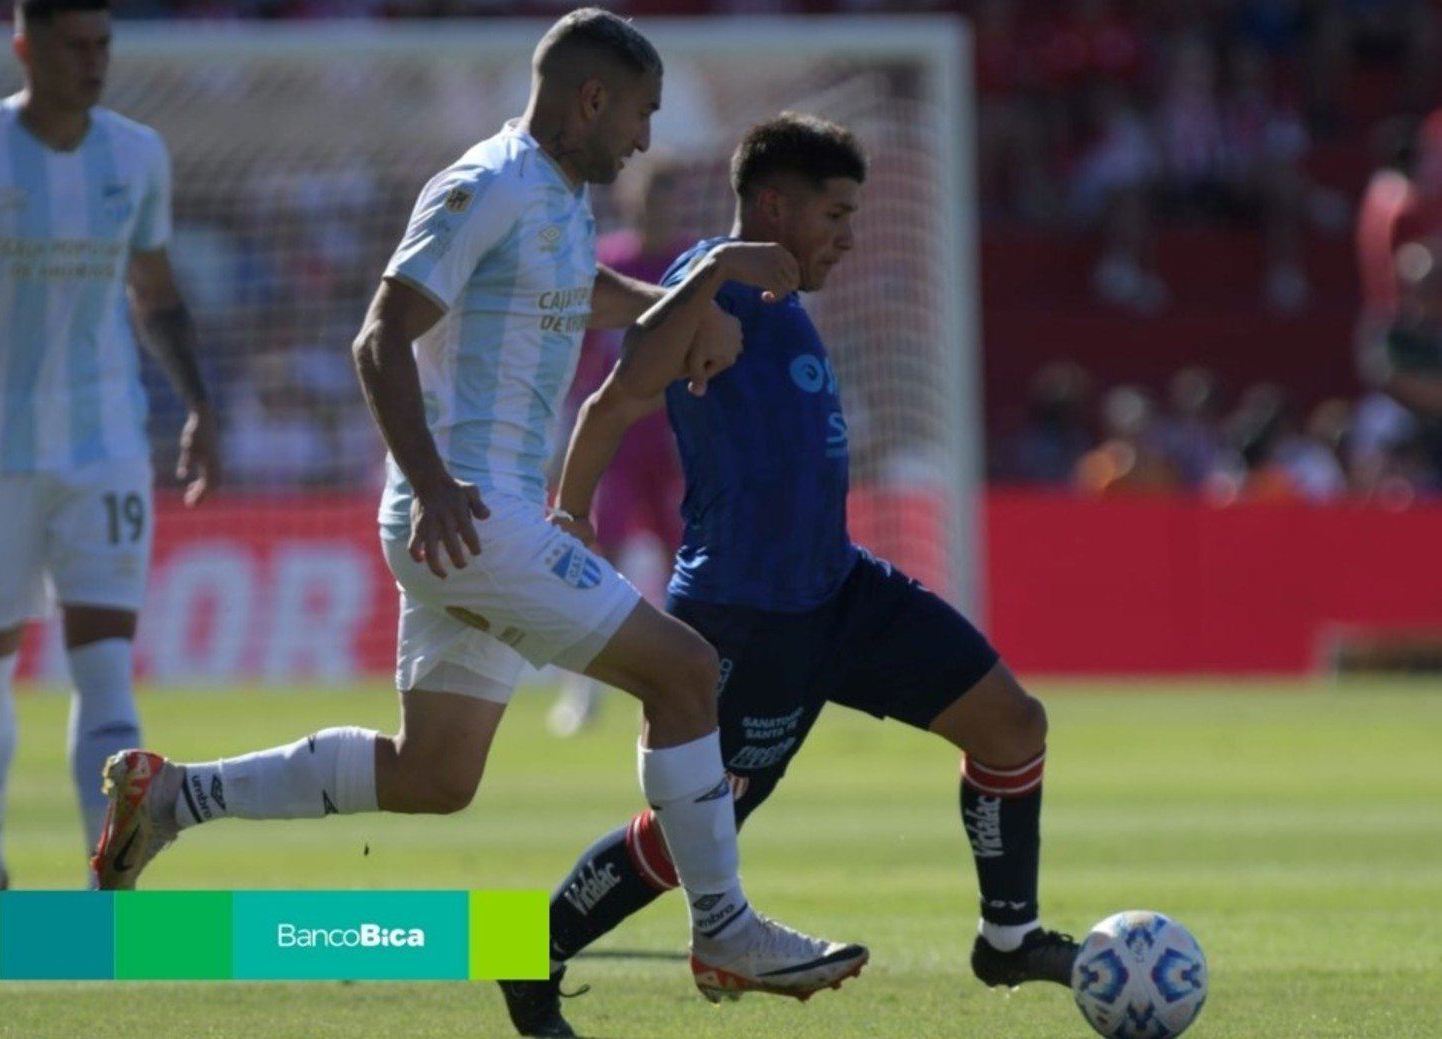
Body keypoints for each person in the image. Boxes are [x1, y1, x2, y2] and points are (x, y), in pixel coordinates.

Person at [90, 6, 867, 1014]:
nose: (642, 139)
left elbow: (567, 289)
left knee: (435, 771)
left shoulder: (554, 196)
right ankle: (723, 930)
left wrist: (674, 300)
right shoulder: (484, 183)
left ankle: (174, 795)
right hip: (468, 513)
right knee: (681, 674)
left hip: (473, 518)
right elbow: (379, 337)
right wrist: (436, 481)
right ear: (591, 98)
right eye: (639, 114)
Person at [500, 112, 1078, 1038]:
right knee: (690, 839)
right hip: (746, 617)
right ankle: (532, 948)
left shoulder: (779, 297)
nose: (849, 237)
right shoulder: (710, 282)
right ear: (773, 205)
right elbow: (616, 395)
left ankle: (1006, 939)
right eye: (836, 215)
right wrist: (569, 518)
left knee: (1011, 723)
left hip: (841, 591)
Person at [0, 0, 219, 891]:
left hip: (104, 445)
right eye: (75, 46)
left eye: (104, 45)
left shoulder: (136, 152)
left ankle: (105, 880)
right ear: (25, 49)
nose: (94, 62)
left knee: (106, 662)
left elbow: (155, 292)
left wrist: (198, 403)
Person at [548, 157, 688, 737]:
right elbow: (576, 365)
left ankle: (693, 681)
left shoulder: (690, 266)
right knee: (592, 557)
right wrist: (562, 438)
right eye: (651, 199)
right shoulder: (608, 264)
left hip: (677, 439)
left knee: (688, 561)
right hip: (615, 441)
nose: (659, 211)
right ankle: (584, 689)